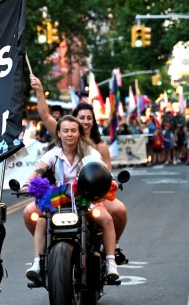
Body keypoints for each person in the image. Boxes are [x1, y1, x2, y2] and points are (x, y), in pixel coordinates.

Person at [30, 77, 128, 262]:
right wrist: (39, 90)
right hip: (61, 193)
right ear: (62, 130)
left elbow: (106, 172)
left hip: (92, 193)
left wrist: (111, 183)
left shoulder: (96, 148)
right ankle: (44, 252)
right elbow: (45, 116)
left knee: (119, 210)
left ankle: (111, 247)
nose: (85, 121)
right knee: (32, 214)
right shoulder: (61, 143)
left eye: (89, 118)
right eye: (81, 118)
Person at [21, 115, 119, 281]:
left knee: (106, 219)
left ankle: (111, 262)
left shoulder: (89, 152)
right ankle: (38, 262)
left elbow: (102, 169)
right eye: (65, 130)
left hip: (86, 197)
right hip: (59, 198)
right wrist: (27, 184)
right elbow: (39, 169)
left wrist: (112, 181)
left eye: (73, 130)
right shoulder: (54, 154)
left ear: (79, 133)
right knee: (41, 220)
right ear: (59, 133)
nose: (70, 134)